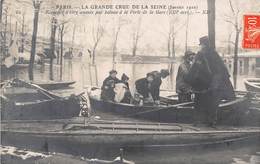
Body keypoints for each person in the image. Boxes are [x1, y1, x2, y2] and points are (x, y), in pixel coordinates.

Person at [187, 36, 235, 127]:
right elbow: (223, 70)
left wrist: (190, 81)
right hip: (218, 83)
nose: (200, 46)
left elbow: (195, 69)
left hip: (208, 83)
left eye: (201, 45)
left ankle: (198, 122)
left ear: (203, 45)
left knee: (199, 101)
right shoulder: (215, 54)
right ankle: (211, 122)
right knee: (213, 103)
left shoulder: (201, 54)